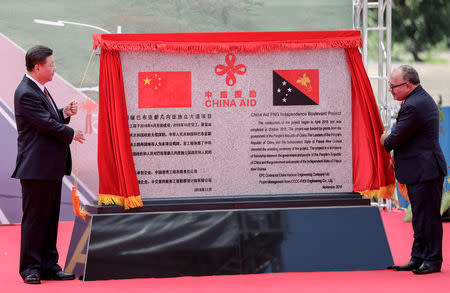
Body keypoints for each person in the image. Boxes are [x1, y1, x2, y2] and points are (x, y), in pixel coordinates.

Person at [11, 45, 85, 284]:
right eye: (51, 65)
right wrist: (72, 132)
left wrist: (63, 112)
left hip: (49, 167)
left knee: (50, 218)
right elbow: (44, 124)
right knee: (35, 219)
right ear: (37, 67)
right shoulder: (26, 91)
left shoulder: (39, 89)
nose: (54, 69)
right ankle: (30, 268)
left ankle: (48, 265)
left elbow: (49, 117)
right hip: (36, 168)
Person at [380, 65, 447, 275]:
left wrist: (385, 138)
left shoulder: (414, 105)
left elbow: (393, 139)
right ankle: (418, 258)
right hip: (422, 170)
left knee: (428, 218)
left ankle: (432, 259)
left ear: (408, 85)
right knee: (420, 217)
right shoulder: (416, 100)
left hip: (425, 171)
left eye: (393, 86)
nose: (390, 90)